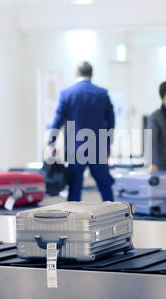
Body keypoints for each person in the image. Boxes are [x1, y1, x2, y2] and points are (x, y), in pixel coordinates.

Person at [49, 61, 115, 201]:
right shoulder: (102, 94)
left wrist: (51, 142)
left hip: (76, 148)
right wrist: (108, 144)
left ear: (76, 73)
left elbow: (58, 120)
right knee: (105, 185)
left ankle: (73, 218)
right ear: (92, 74)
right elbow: (111, 121)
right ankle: (114, 213)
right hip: (98, 146)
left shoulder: (67, 94)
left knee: (74, 188)